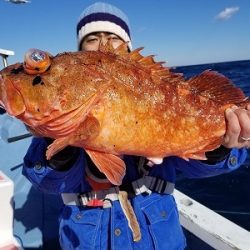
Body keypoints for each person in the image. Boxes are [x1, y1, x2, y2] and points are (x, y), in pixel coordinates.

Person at [22, 2, 250, 249]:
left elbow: (196, 168)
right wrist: (59, 143)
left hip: (159, 237)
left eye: (112, 37)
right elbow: (46, 182)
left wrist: (222, 148)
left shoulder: (154, 89)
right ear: (80, 55)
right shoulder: (52, 124)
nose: (102, 44)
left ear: (128, 47)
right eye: (92, 39)